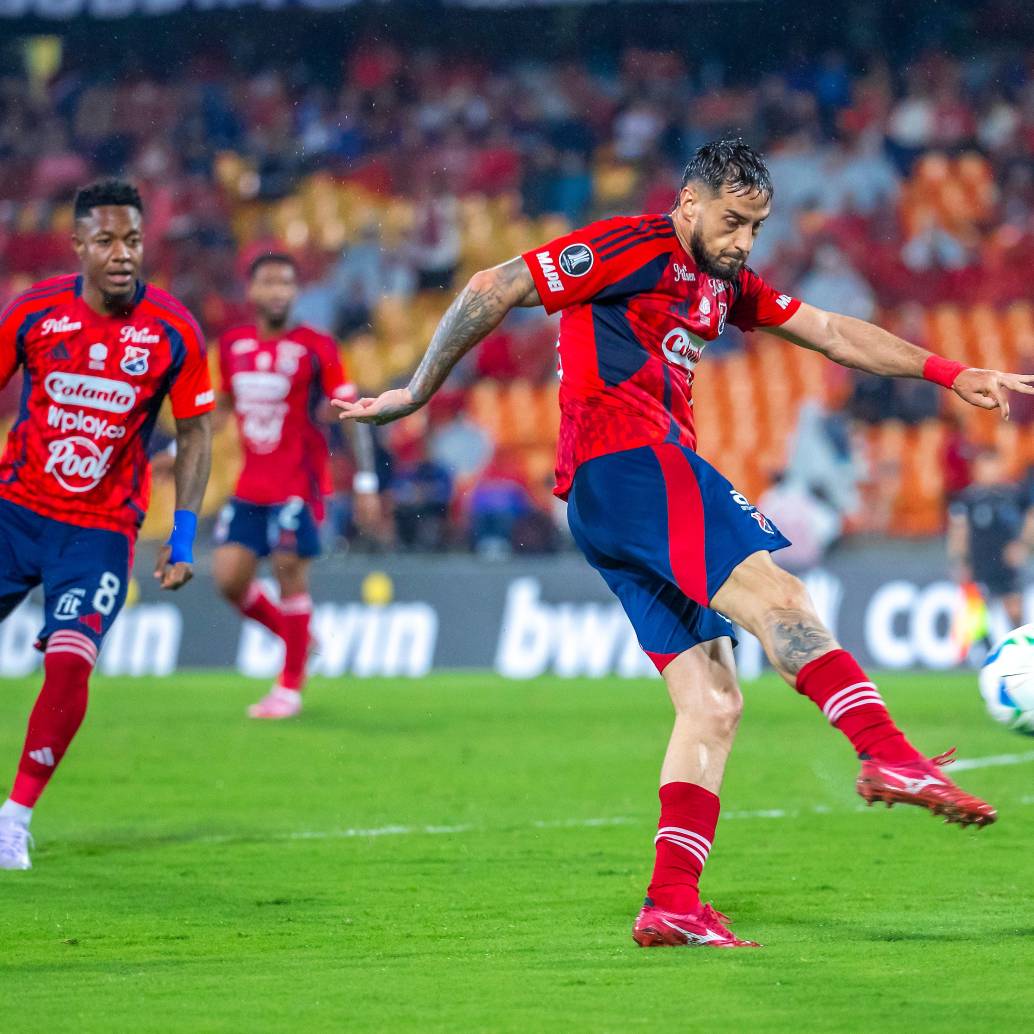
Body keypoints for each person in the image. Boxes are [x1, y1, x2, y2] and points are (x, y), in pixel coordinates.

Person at [336, 140, 1034, 949]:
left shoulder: (722, 282)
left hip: (603, 501)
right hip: (633, 463)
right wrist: (415, 391)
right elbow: (494, 284)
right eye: (733, 222)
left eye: (757, 227)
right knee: (782, 599)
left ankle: (671, 901)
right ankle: (888, 753)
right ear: (690, 203)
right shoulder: (631, 246)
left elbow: (831, 331)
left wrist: (948, 372)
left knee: (712, 701)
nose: (744, 241)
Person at [0, 179, 214, 870]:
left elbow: (197, 433)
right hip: (14, 512)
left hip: (98, 531)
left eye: (133, 240)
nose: (122, 254)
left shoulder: (173, 329)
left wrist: (182, 536)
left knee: (69, 663)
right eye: (106, 241)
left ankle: (13, 820)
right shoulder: (32, 312)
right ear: (78, 246)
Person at [212, 254, 378, 719]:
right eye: (269, 282)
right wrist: (182, 446)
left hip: (298, 483)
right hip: (250, 485)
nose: (278, 291)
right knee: (229, 580)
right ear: (251, 291)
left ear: (296, 292)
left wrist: (365, 482)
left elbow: (351, 413)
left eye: (286, 283)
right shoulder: (232, 345)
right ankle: (299, 640)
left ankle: (288, 688)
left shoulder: (316, 346)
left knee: (288, 570)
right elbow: (222, 406)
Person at [948, 445, 1034, 637]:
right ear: (976, 469)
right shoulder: (967, 498)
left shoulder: (1013, 494)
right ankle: (981, 650)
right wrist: (960, 561)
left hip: (1006, 563)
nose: (989, 472)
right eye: (985, 467)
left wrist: (1023, 545)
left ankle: (1021, 649)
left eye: (993, 466)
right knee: (976, 616)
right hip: (979, 563)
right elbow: (959, 530)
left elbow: (1031, 515)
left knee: (1015, 611)